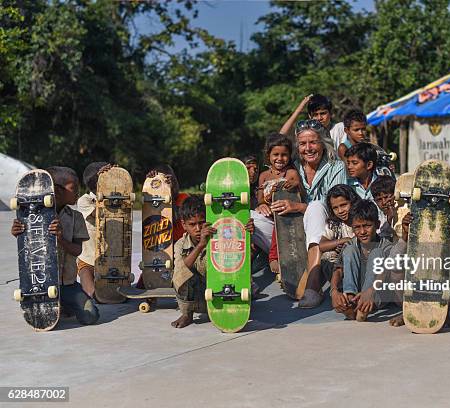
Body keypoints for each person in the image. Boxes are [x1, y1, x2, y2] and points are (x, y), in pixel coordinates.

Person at [251, 119, 346, 308]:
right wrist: (262, 204)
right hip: (291, 236)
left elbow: (336, 209)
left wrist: (300, 207)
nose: (308, 148)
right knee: (250, 217)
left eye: (313, 142)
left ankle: (313, 284)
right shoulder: (291, 166)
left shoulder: (336, 167)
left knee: (317, 206)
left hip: (323, 233)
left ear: (323, 143)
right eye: (302, 143)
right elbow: (278, 139)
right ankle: (250, 276)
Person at [12, 166, 99, 325]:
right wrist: (18, 232)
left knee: (91, 316)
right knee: (46, 319)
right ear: (57, 191)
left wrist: (61, 239)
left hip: (67, 285)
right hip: (41, 285)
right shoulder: (32, 216)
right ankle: (60, 306)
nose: (77, 192)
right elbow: (27, 249)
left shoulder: (76, 217)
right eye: (73, 188)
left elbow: (77, 250)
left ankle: (67, 305)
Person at [171, 196, 256, 328]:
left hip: (222, 293)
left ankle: (236, 305)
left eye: (202, 222)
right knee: (180, 275)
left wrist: (247, 235)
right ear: (184, 225)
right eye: (192, 224)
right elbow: (180, 272)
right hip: (199, 299)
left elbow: (243, 262)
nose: (198, 228)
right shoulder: (180, 245)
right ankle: (187, 314)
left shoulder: (221, 238)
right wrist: (201, 245)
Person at [331, 200, 394, 321]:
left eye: (367, 226)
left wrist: (369, 291)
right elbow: (338, 270)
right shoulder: (351, 243)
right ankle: (350, 301)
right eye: (357, 227)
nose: (362, 232)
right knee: (349, 250)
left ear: (377, 224)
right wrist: (334, 292)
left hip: (376, 294)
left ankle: (363, 307)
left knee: (377, 253)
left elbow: (386, 272)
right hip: (357, 293)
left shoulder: (386, 245)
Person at [136, 164, 189, 289]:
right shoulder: (152, 203)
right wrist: (151, 186)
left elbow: (175, 218)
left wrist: (169, 191)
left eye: (172, 182)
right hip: (161, 249)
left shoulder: (184, 198)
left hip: (181, 249)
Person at [75, 162, 110, 299]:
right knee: (91, 294)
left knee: (113, 295)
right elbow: (100, 213)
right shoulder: (85, 200)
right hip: (87, 259)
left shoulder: (119, 198)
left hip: (109, 259)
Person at [255, 134, 302, 218]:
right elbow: (260, 200)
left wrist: (296, 185)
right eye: (276, 154)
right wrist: (266, 200)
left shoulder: (292, 173)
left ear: (289, 155)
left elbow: (300, 195)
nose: (280, 158)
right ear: (268, 155)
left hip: (288, 217)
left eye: (284, 155)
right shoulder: (263, 175)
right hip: (268, 215)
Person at [279, 94, 347, 150]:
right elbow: (281, 136)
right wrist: (300, 107)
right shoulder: (304, 132)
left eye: (323, 113)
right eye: (315, 115)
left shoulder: (339, 128)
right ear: (309, 116)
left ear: (330, 113)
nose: (319, 118)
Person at [370, 175, 398, 241]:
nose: (384, 202)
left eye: (386, 197)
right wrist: (389, 219)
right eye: (379, 199)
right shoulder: (377, 216)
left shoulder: (403, 209)